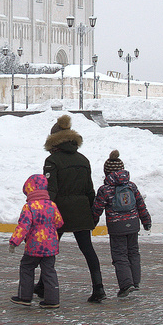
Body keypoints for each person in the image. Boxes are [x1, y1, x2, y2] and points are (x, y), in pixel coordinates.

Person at [37, 114, 107, 303]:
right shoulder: (83, 160)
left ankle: (44, 286)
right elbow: (89, 190)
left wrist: (44, 213)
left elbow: (50, 190)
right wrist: (93, 214)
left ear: (53, 141)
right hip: (82, 211)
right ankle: (98, 287)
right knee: (88, 250)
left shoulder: (52, 161)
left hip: (59, 213)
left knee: (49, 249)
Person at [92, 149, 153, 297]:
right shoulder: (131, 186)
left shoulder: (105, 189)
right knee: (133, 252)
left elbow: (97, 209)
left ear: (106, 172)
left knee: (120, 255)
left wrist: (91, 223)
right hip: (133, 225)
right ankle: (135, 282)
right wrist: (146, 221)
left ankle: (126, 285)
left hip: (116, 227)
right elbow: (141, 205)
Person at [9, 173, 63, 309]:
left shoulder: (29, 207)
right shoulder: (52, 205)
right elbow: (59, 222)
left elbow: (23, 226)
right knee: (49, 271)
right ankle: (52, 300)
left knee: (27, 267)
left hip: (34, 246)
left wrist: (14, 241)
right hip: (50, 246)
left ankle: (25, 296)